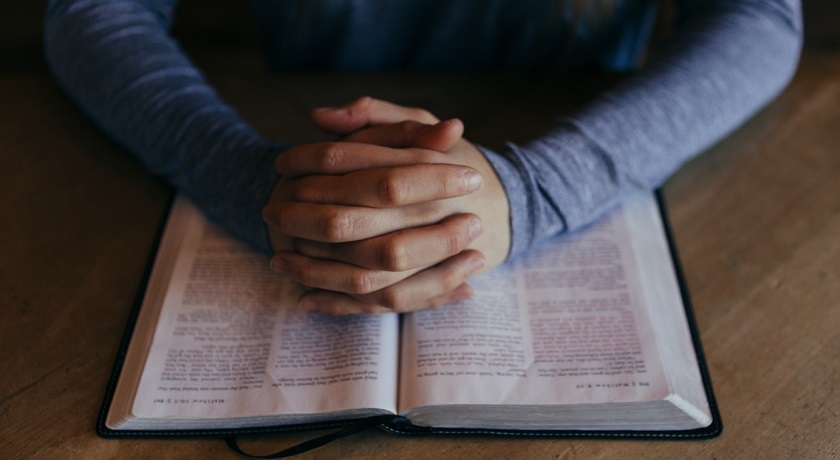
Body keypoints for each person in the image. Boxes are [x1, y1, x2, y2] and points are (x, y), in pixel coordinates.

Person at [44, 0, 802, 314]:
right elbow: (91, 11)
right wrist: (247, 177)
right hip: (294, 139)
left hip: (577, 128)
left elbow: (760, 15)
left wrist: (535, 191)